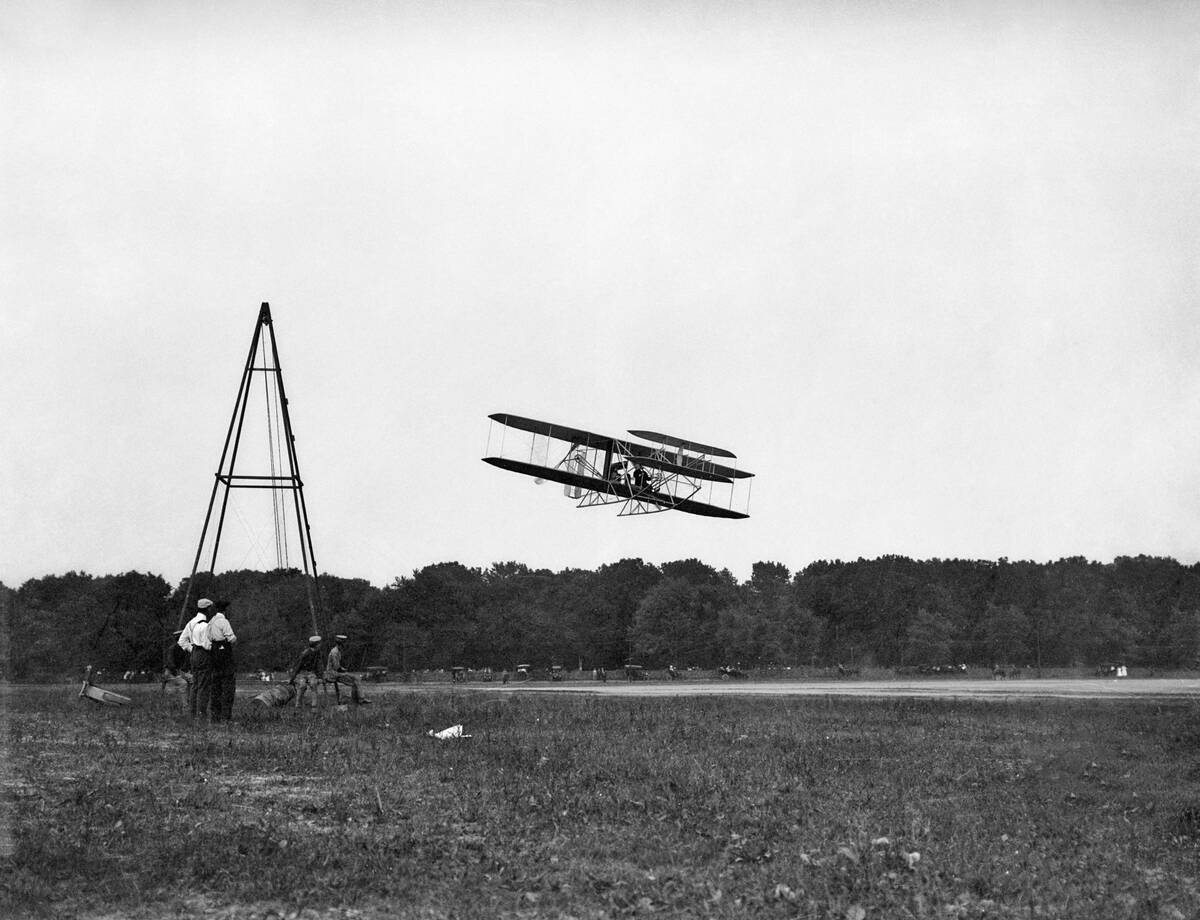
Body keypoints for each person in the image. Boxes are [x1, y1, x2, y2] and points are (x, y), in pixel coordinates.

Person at [180, 599, 213, 717]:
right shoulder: (205, 624)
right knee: (203, 685)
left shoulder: (190, 622)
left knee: (195, 684)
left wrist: (192, 649)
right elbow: (208, 644)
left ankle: (192, 712)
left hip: (194, 655)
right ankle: (201, 713)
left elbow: (182, 641)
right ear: (208, 609)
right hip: (203, 653)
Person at [206, 599, 238, 722]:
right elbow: (232, 638)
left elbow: (208, 638)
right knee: (228, 687)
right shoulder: (223, 621)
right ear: (225, 610)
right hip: (224, 652)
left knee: (215, 687)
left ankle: (215, 717)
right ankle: (226, 717)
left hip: (213, 652)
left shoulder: (211, 621)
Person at [324, 634, 368, 704]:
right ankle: (358, 700)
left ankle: (360, 699)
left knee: (356, 678)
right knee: (355, 680)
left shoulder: (337, 651)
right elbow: (336, 667)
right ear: (341, 644)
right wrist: (345, 672)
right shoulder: (335, 652)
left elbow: (337, 666)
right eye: (344, 644)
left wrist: (344, 669)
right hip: (333, 674)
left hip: (336, 672)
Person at [289, 635, 324, 708]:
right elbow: (298, 666)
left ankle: (314, 705)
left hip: (311, 673)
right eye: (319, 644)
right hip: (302, 673)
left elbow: (319, 666)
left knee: (313, 684)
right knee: (302, 686)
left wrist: (320, 677)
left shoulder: (318, 653)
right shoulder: (305, 653)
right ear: (316, 645)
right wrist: (292, 678)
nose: (320, 645)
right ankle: (298, 705)